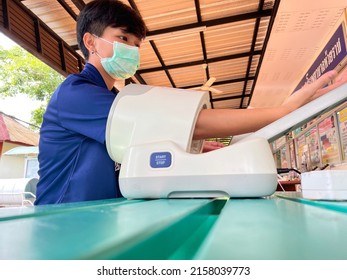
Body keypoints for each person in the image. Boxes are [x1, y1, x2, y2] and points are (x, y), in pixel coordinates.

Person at [35, 0, 347, 205]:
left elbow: (150, 145)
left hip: (99, 213)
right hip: (61, 215)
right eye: (123, 39)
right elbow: (193, 123)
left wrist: (189, 145)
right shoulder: (76, 94)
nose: (132, 50)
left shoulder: (116, 98)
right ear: (91, 42)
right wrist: (286, 110)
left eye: (136, 44)